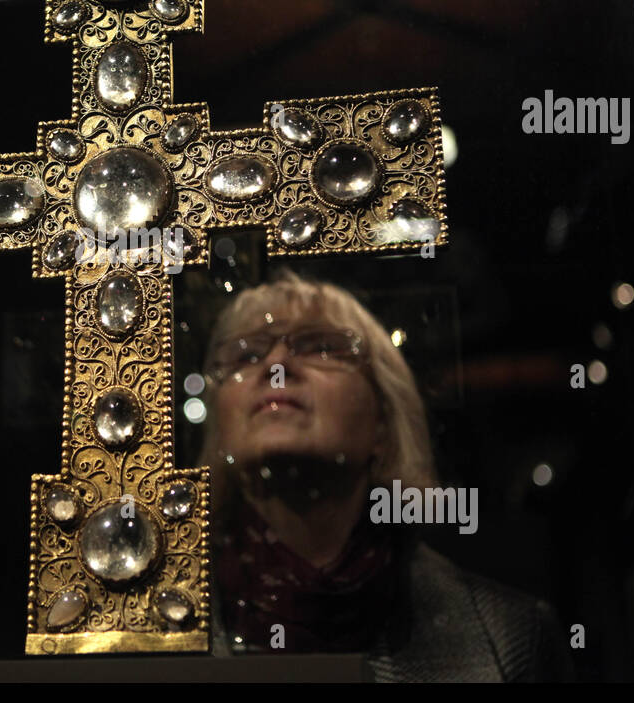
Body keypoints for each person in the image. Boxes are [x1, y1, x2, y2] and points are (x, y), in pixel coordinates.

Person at [199, 267, 572, 681]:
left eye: (321, 347)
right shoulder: (144, 619)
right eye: (247, 355)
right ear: (220, 426)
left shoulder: (509, 636)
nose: (277, 364)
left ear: (383, 420)